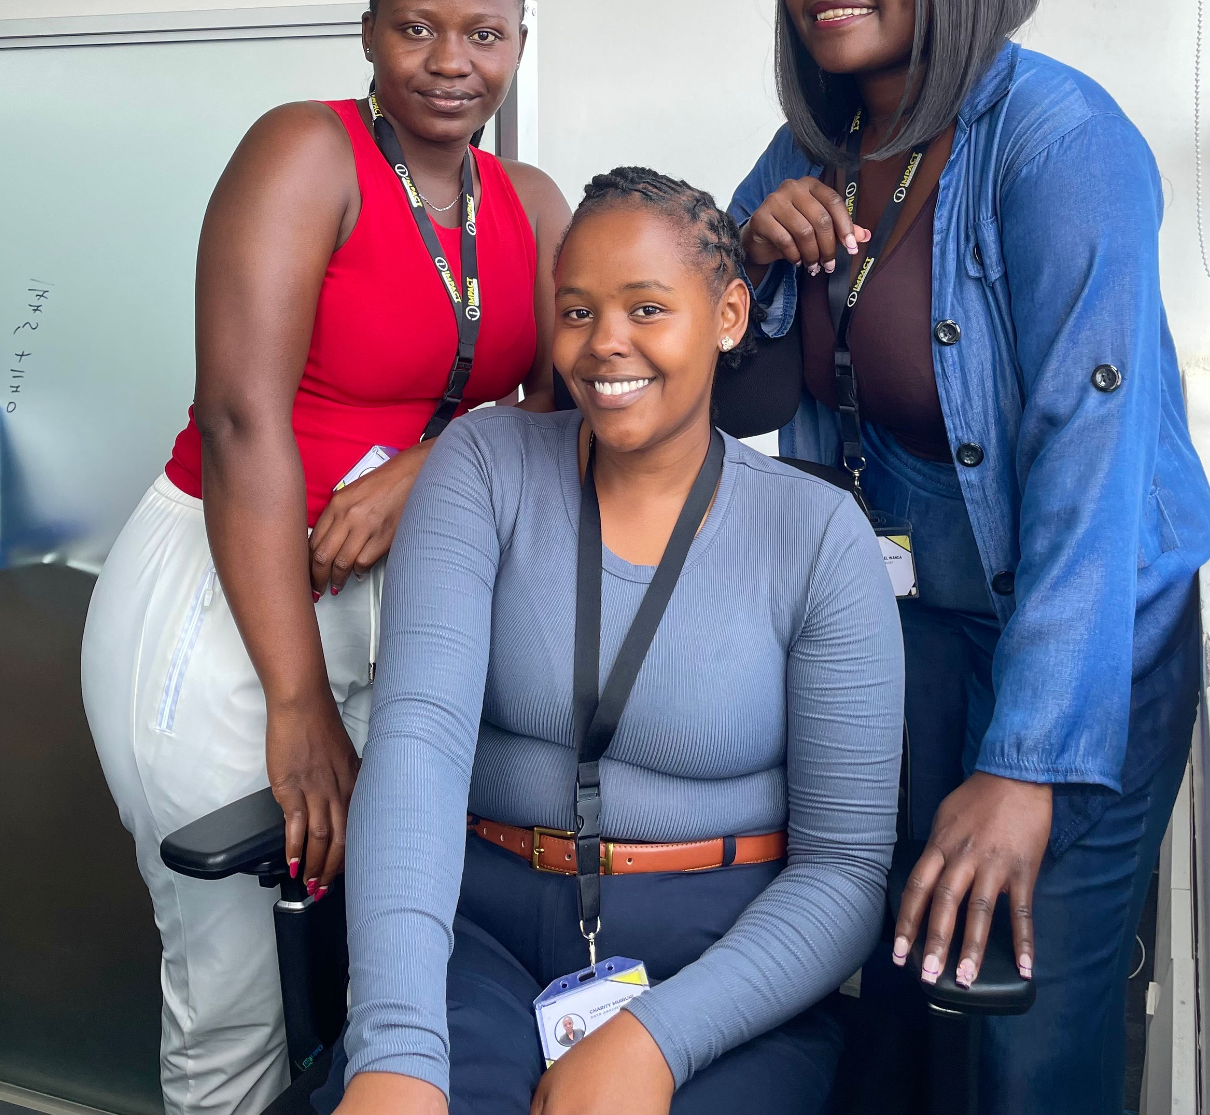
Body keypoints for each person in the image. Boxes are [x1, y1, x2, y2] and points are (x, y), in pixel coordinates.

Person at [729, 0, 1210, 1115]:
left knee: (1019, 1022)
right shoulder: (804, 152)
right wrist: (751, 270)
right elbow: (734, 401)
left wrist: (1025, 764)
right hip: (904, 631)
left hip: (1074, 633)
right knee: (894, 973)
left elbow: (1089, 461)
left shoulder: (1056, 140)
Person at [81, 0, 569, 1115]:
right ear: (366, 32)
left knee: (382, 984)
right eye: (415, 26)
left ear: (519, 44)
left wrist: (437, 458)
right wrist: (294, 703)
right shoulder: (305, 150)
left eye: (483, 33)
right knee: (236, 990)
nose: (450, 60)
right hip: (227, 603)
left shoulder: (534, 200)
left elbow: (568, 407)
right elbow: (243, 419)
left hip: (400, 620)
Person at [322, 168, 904, 1115]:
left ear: (725, 315)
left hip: (726, 964)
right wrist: (396, 1045)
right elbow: (418, 746)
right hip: (483, 940)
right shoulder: (485, 466)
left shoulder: (820, 536)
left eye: (646, 307)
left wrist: (654, 1041)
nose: (606, 346)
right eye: (578, 311)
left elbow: (844, 873)